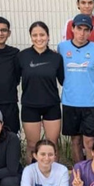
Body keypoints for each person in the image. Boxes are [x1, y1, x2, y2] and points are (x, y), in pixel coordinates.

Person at [57, 14, 94, 163]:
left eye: (86, 30)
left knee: (89, 141)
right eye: (79, 28)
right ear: (73, 29)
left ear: (90, 32)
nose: (82, 33)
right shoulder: (62, 47)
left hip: (90, 102)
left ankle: (91, 171)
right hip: (70, 101)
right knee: (75, 140)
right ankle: (78, 171)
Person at [62, 0, 94, 137]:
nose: (87, 6)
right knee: (76, 133)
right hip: (80, 78)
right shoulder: (70, 23)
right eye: (83, 2)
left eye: (90, 2)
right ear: (78, 4)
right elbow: (67, 52)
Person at [18, 21, 64, 163]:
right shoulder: (22, 56)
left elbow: (64, 81)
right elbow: (13, 79)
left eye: (42, 35)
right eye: (35, 35)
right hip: (30, 105)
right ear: (31, 37)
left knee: (52, 145)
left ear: (48, 36)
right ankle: (30, 174)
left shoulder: (56, 57)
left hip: (51, 105)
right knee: (32, 145)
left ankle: (55, 175)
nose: (39, 38)